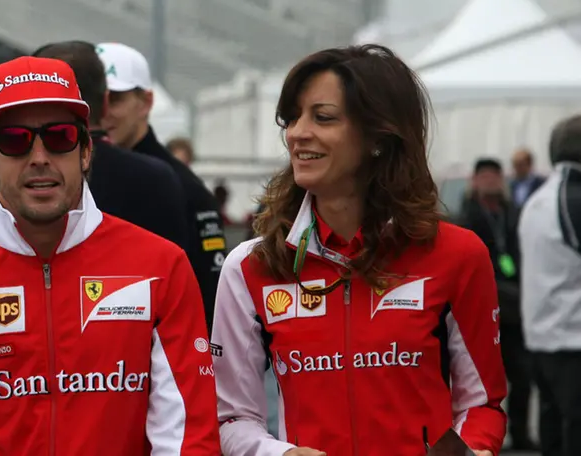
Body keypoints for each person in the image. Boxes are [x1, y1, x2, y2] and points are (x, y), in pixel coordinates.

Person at [0, 56, 220, 455]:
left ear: (86, 151)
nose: (39, 156)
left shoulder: (161, 266)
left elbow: (186, 440)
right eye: (14, 140)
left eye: (59, 137)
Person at [211, 45, 507, 456]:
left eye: (323, 117)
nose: (296, 133)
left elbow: (482, 404)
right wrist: (279, 453)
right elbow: (230, 417)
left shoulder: (458, 255)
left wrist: (474, 450)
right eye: (293, 118)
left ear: (379, 137)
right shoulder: (251, 266)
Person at [97, 42, 227, 331]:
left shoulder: (185, 186)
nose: (102, 113)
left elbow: (211, 298)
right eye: (95, 101)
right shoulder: (76, 181)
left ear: (145, 102)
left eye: (114, 99)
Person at [31, 40, 189, 250]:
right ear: (104, 103)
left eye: (119, 99)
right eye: (12, 140)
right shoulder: (160, 178)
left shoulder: (14, 183)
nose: (40, 161)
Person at [458, 158, 534, 451]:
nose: (490, 180)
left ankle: (522, 433)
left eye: (494, 174)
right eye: (484, 175)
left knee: (523, 376)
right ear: (474, 181)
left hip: (517, 311)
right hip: (484, 310)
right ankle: (485, 438)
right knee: (484, 383)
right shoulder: (466, 219)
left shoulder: (515, 214)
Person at [519, 114, 581, 456]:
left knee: (554, 428)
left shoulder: (539, 198)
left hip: (542, 336)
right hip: (572, 339)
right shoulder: (573, 195)